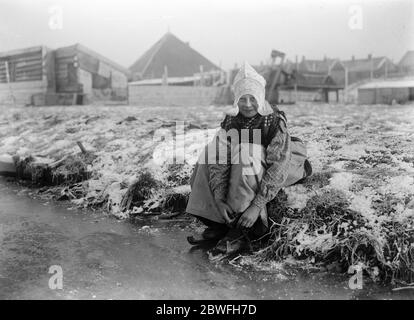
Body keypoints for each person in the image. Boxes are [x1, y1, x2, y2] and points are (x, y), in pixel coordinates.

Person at [186, 62, 312, 253]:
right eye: (242, 99)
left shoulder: (273, 120)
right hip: (245, 164)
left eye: (252, 98)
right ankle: (219, 222)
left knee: (247, 151)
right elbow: (219, 158)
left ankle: (246, 231)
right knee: (208, 154)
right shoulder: (232, 120)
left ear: (260, 97)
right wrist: (219, 198)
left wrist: (256, 206)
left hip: (281, 164)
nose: (247, 104)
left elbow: (278, 165)